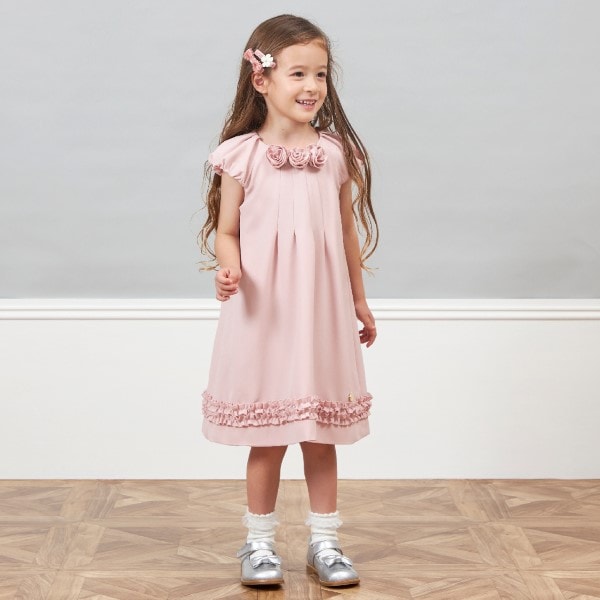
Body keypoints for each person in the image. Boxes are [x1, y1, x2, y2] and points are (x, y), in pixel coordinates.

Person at [199, 14, 378, 588]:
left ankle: (325, 542)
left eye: (321, 74)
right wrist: (229, 268)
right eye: (298, 73)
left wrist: (359, 301)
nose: (313, 86)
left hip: (320, 312)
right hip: (266, 313)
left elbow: (346, 233)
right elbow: (228, 231)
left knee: (320, 433)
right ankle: (258, 543)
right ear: (262, 80)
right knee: (269, 435)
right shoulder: (241, 156)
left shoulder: (335, 154)